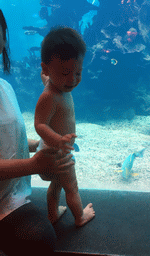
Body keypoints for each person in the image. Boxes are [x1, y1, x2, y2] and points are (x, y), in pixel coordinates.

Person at [0, 10, 74, 256]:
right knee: (39, 241)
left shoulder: (5, 87)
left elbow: (9, 136)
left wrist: (38, 146)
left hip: (12, 194)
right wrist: (34, 164)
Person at [35, 27, 95, 226]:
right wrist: (57, 140)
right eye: (65, 72)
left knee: (57, 185)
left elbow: (46, 79)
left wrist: (50, 75)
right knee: (72, 187)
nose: (72, 79)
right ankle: (80, 216)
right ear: (47, 68)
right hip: (56, 154)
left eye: (78, 72)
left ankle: (53, 213)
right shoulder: (49, 96)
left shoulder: (55, 84)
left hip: (56, 152)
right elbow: (39, 124)